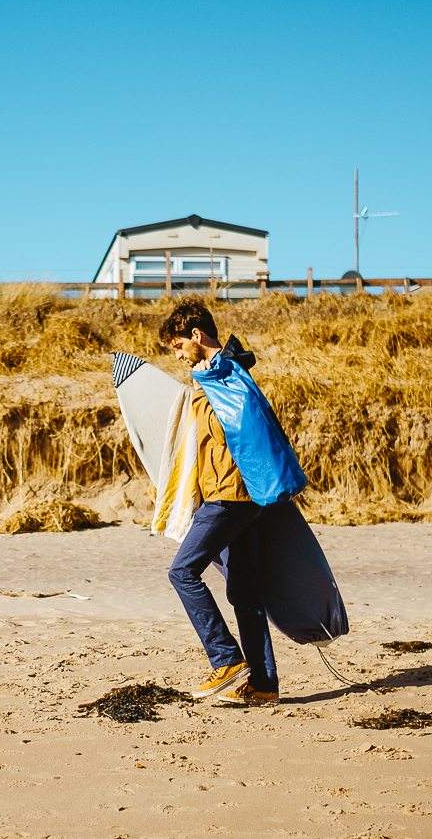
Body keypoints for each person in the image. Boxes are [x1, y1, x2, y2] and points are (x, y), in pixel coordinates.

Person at [158, 298, 308, 706]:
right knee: (244, 591)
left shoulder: (225, 375)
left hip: (231, 496)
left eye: (177, 346)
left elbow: (251, 432)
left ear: (196, 335)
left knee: (182, 572)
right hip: (234, 496)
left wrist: (211, 372)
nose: (177, 355)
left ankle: (226, 661)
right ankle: (263, 684)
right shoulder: (210, 380)